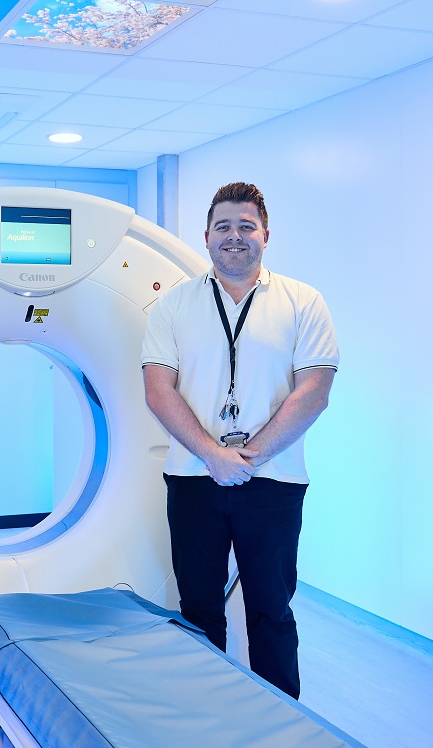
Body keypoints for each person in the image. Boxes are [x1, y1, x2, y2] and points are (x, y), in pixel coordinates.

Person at [140, 182, 338, 700]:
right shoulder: (172, 306)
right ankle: (206, 719)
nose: (235, 237)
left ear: (265, 235)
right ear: (206, 237)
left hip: (273, 482)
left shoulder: (303, 301)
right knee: (199, 609)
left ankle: (282, 728)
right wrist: (213, 455)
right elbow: (158, 392)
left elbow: (313, 393)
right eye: (223, 227)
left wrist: (246, 458)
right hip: (193, 481)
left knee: (271, 608)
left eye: (246, 226)